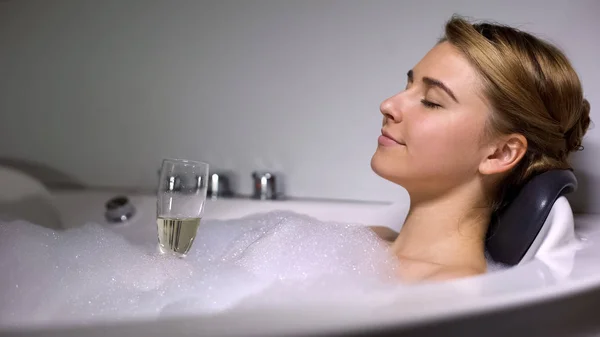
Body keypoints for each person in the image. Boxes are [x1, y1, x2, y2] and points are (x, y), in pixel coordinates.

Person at [370, 15, 591, 282]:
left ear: (500, 153)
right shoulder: (370, 242)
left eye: (431, 102)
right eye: (408, 87)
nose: (388, 105)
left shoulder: (442, 294)